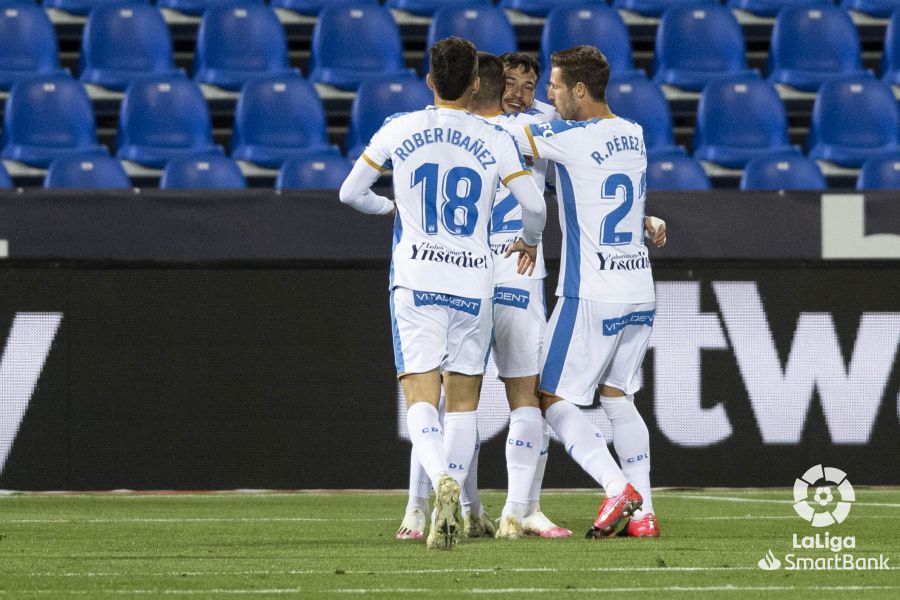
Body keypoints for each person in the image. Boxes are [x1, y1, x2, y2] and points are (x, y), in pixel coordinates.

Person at [339, 37, 547, 550]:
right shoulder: (495, 137)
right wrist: (528, 241)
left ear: (430, 81)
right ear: (477, 83)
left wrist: (390, 210)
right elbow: (535, 206)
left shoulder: (398, 128)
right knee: (462, 401)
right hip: (474, 280)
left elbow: (350, 192)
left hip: (415, 278)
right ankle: (449, 495)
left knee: (419, 395)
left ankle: (439, 487)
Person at [511, 45, 662, 538]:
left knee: (550, 397)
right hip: (639, 287)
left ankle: (618, 488)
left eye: (553, 86)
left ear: (580, 89)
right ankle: (644, 517)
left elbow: (504, 135)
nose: (548, 95)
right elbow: (616, 196)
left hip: (592, 290)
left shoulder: (565, 137)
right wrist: (646, 220)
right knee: (619, 397)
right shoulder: (634, 133)